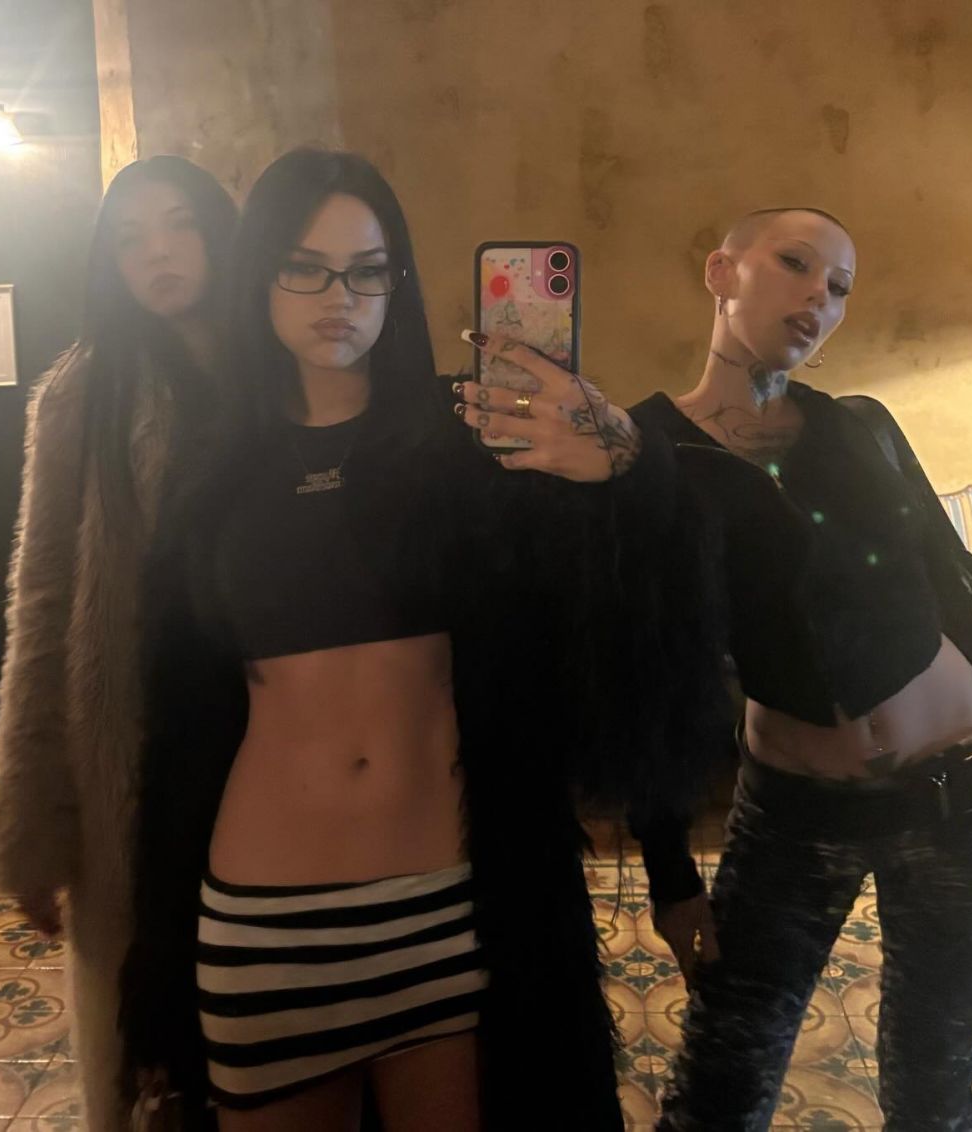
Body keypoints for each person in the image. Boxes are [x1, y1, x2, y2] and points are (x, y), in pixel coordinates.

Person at [118, 148, 726, 1131]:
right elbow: (179, 730)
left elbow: (621, 640)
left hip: (452, 915)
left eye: (368, 270)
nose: (339, 297)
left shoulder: (471, 437)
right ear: (258, 272)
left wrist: (625, 465)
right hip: (265, 923)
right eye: (304, 267)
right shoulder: (211, 470)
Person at [617, 207, 972, 1131]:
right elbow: (645, 677)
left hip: (960, 794)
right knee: (719, 1087)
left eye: (841, 287)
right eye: (795, 262)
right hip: (793, 818)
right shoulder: (650, 454)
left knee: (933, 1090)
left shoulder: (861, 428)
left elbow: (959, 589)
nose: (819, 295)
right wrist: (669, 872)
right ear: (721, 272)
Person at [0, 156, 238, 1132]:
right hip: (136, 745)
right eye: (131, 238)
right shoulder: (83, 394)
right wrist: (28, 827)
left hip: (268, 730)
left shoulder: (276, 372)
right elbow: (43, 601)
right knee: (151, 1031)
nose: (158, 253)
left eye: (178, 225)